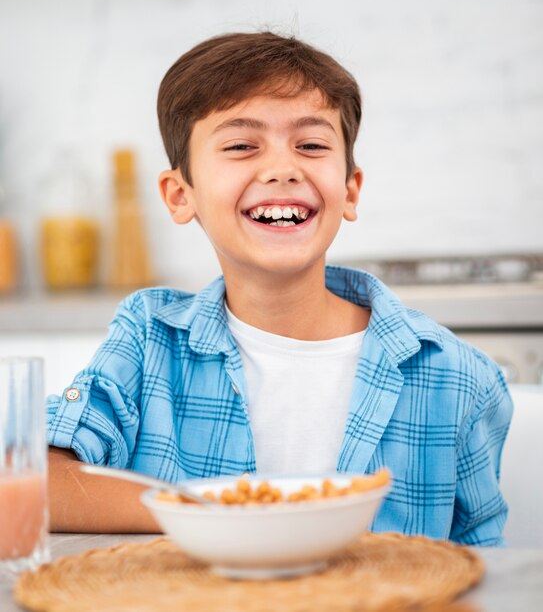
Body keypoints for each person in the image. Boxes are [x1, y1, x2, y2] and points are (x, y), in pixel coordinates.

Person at [47, 31, 513, 544]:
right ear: (181, 196)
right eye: (242, 145)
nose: (282, 169)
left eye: (311, 145)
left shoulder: (458, 377)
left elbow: (482, 568)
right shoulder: (147, 341)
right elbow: (26, 484)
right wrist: (217, 517)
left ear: (350, 190)